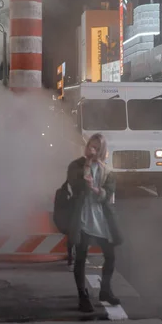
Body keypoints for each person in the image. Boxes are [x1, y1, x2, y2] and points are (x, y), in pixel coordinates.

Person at [66, 133, 122, 313]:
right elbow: (74, 185)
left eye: (97, 148)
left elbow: (110, 190)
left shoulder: (106, 169)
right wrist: (86, 169)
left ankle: (105, 290)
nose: (93, 150)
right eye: (91, 146)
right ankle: (83, 296)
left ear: (102, 150)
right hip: (82, 214)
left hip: (101, 215)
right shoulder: (76, 165)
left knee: (110, 255)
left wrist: (99, 191)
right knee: (81, 257)